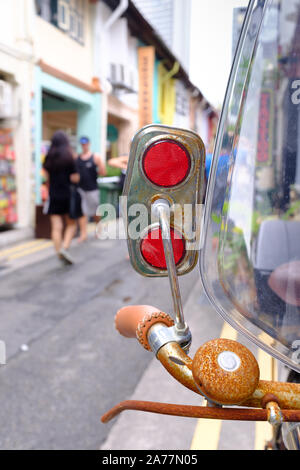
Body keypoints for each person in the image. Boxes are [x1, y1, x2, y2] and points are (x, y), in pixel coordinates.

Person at [43, 131, 79, 265]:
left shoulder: (48, 158)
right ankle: (65, 248)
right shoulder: (70, 158)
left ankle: (59, 252)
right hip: (67, 195)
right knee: (71, 224)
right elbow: (75, 178)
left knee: (56, 227)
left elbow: (46, 179)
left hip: (53, 195)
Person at [76, 136, 106, 243]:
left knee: (95, 212)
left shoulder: (95, 157)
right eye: (82, 144)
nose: (84, 146)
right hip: (81, 189)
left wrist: (98, 169)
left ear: (88, 144)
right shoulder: (77, 158)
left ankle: (99, 229)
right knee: (82, 212)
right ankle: (83, 234)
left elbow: (103, 172)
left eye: (85, 144)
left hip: (93, 189)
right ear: (81, 145)